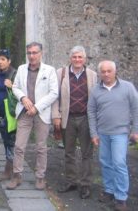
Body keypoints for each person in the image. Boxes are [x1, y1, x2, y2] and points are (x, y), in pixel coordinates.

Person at [7, 42, 58, 190]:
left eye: (35, 52)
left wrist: (36, 107)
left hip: (41, 113)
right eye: (29, 53)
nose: (32, 55)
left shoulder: (49, 70)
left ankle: (40, 177)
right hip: (24, 112)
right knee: (19, 146)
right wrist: (23, 98)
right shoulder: (22, 69)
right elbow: (15, 87)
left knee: (41, 147)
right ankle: (17, 176)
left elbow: (54, 92)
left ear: (41, 53)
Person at [88, 60, 138, 211]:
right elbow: (91, 112)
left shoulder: (127, 87)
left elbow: (136, 108)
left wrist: (136, 130)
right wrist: (93, 133)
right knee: (105, 162)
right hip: (103, 133)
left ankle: (121, 197)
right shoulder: (96, 90)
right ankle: (109, 190)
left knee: (119, 163)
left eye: (109, 71)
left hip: (120, 133)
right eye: (103, 71)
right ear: (99, 73)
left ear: (115, 71)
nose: (106, 74)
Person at [52, 46, 97, 199]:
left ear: (85, 59)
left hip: (86, 118)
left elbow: (96, 99)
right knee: (69, 152)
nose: (77, 60)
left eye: (80, 57)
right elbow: (55, 96)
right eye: (74, 57)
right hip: (68, 118)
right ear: (70, 58)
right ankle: (71, 180)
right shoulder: (61, 73)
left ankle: (85, 184)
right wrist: (56, 115)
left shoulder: (93, 75)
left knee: (87, 153)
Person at [0, 48, 17, 181]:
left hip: (10, 112)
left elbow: (22, 92)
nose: (0, 62)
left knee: (10, 139)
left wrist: (13, 86)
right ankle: (10, 165)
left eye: (3, 59)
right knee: (5, 139)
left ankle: (9, 168)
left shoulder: (14, 73)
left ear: (9, 61)